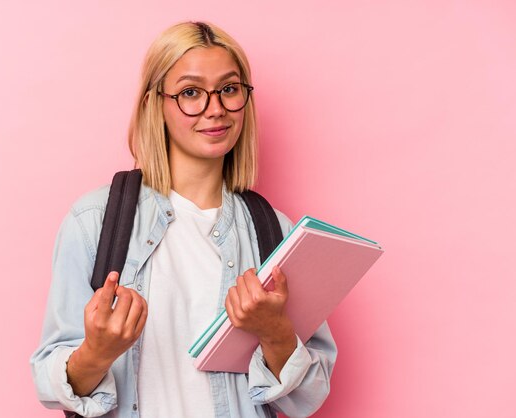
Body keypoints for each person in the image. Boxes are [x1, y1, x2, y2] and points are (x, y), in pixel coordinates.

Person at [30, 21, 337, 418]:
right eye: (191, 92)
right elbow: (50, 383)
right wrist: (96, 352)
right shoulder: (94, 221)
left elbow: (308, 397)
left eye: (229, 89)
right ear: (155, 103)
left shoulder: (274, 231)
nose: (215, 109)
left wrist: (276, 332)